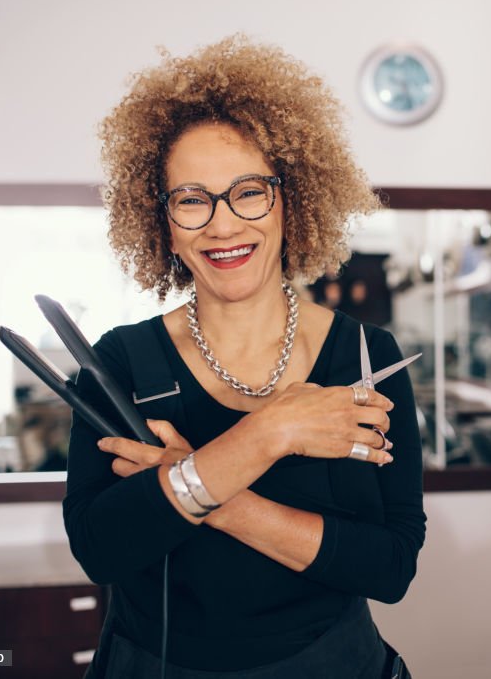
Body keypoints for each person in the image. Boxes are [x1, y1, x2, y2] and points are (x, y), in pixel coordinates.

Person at [62, 36, 425, 678]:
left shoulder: (368, 358)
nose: (223, 225)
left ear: (291, 198)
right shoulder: (118, 361)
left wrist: (194, 483)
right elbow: (101, 550)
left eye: (249, 191)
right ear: (165, 221)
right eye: (192, 199)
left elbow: (390, 567)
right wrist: (270, 431)